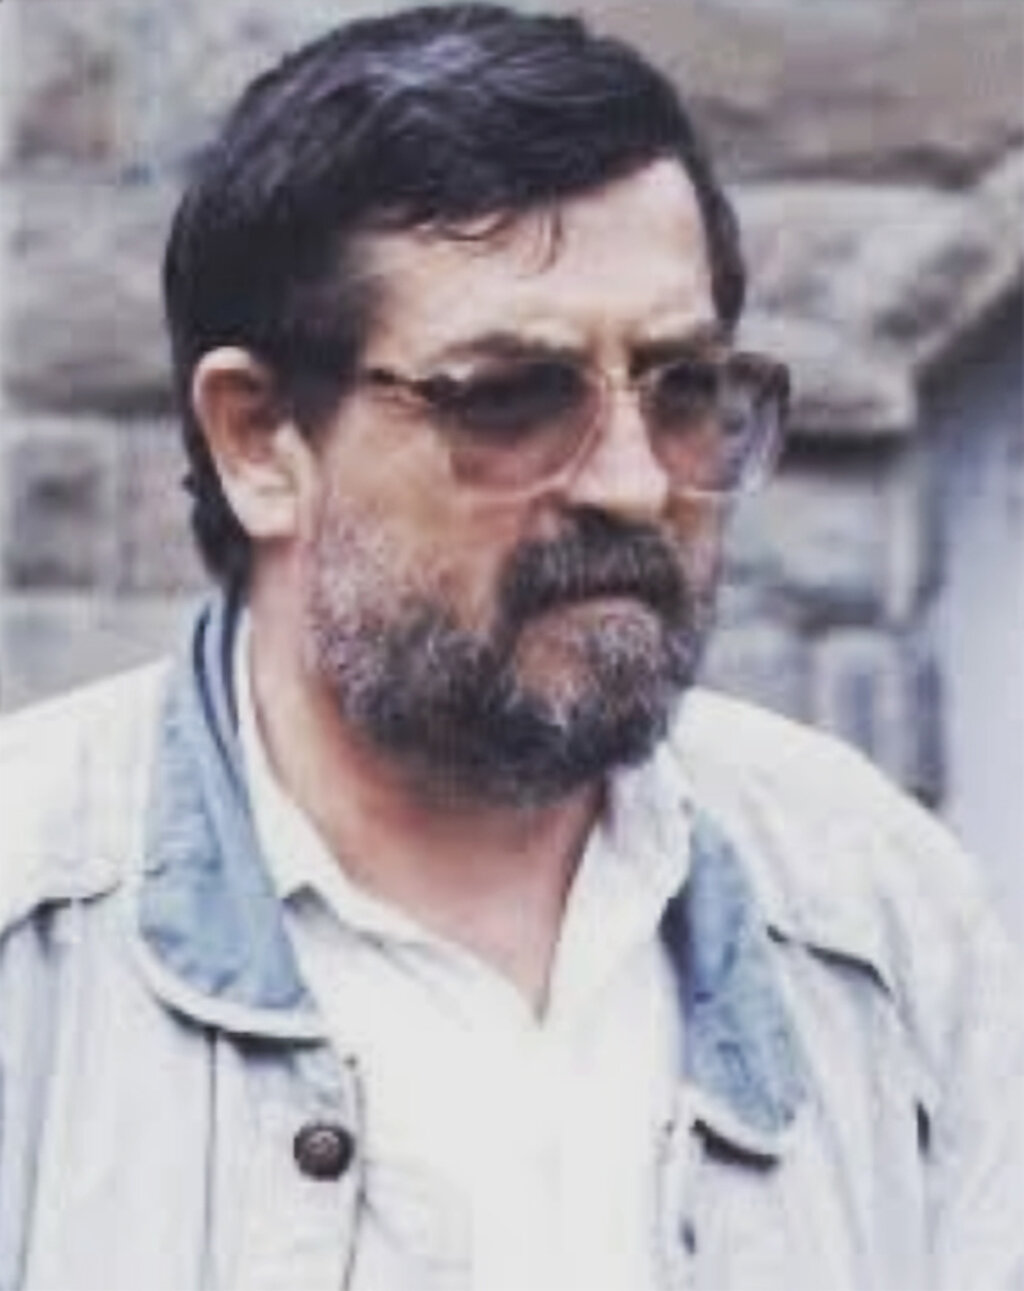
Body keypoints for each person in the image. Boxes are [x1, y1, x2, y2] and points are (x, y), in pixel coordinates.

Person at [1, 5, 1021, 1289]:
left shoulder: (878, 917)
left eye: (683, 389)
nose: (633, 484)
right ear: (259, 440)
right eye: (511, 398)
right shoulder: (37, 929)